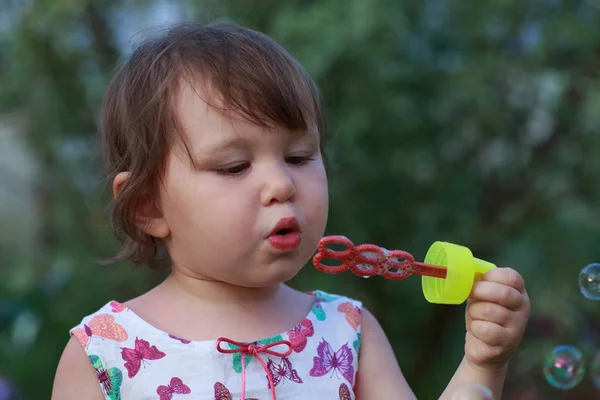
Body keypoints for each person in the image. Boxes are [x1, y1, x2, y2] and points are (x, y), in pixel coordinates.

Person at [51, 22, 530, 400]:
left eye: (299, 157)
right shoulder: (104, 353)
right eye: (235, 166)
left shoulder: (348, 335)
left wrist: (483, 364)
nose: (281, 184)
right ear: (148, 205)